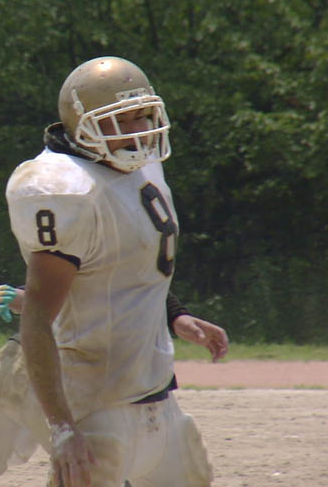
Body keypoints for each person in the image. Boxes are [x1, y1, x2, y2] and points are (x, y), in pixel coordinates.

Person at [12, 56, 213, 486]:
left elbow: (128, 265)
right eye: (122, 120)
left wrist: (175, 313)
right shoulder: (66, 189)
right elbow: (37, 317)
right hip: (98, 408)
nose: (138, 130)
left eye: (142, 116)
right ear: (82, 125)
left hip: (159, 398)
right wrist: (62, 427)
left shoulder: (140, 166)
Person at [0, 285, 227, 487]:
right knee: (87, 463)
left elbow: (49, 289)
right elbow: (135, 285)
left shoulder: (70, 236)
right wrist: (177, 317)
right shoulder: (118, 245)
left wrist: (11, 295)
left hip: (9, 361)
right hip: (54, 374)